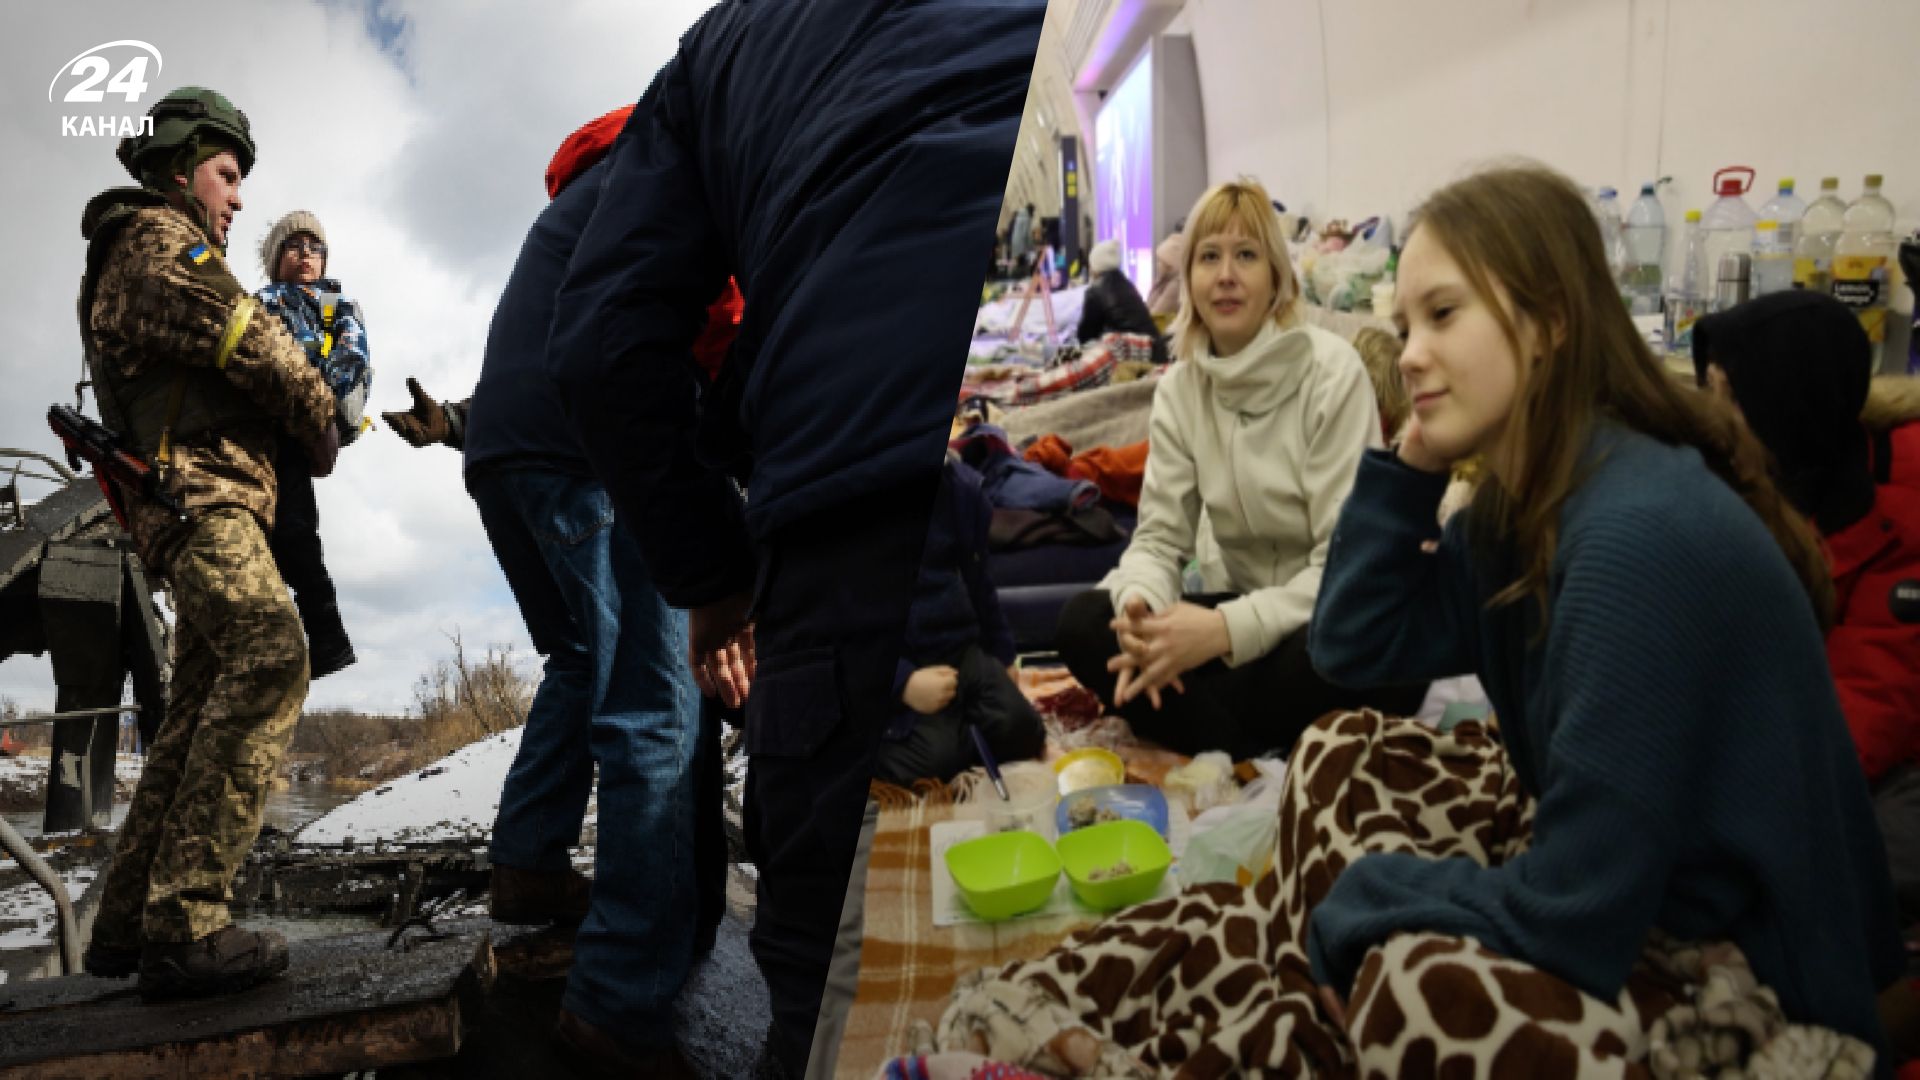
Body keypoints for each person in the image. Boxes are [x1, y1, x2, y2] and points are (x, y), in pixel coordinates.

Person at [543, 2, 1044, 1074]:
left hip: (832, 511)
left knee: (838, 997)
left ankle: (611, 972)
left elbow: (601, 343)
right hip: (882, 483)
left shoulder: (720, 56)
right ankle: (619, 970)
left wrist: (714, 578)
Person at [1306, 164, 1901, 1059]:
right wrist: (1409, 468)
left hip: (1760, 976)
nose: (1410, 352)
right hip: (1636, 889)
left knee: (1424, 992)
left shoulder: (1635, 534)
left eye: (1442, 314)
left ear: (1549, 324)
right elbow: (1353, 643)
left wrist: (1365, 898)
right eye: (1402, 326)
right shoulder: (1522, 507)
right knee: (1334, 754)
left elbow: (1574, 915)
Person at [379, 106, 741, 1079]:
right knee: (658, 705)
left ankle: (529, 861)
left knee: (581, 662)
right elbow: (696, 346)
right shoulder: (691, 174)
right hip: (591, 450)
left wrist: (452, 423)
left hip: (506, 457)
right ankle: (623, 1000)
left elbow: (552, 347)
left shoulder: (597, 191)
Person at [76, 87, 338, 999]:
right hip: (202, 500)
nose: (236, 198)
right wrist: (320, 415)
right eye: (227, 175)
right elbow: (257, 342)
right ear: (181, 167)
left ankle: (119, 925)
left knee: (190, 715)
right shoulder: (154, 239)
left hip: (201, 504)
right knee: (272, 659)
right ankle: (186, 923)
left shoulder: (149, 243)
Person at [1054, 179, 1426, 761]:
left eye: (1246, 255)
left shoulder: (1333, 374)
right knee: (1084, 625)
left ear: (1278, 278)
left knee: (1366, 660)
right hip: (1248, 624)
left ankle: (1216, 737)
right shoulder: (1180, 389)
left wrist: (1223, 631)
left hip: (1319, 621)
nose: (1226, 275)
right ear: (1191, 280)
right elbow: (1157, 541)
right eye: (1209, 257)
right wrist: (1140, 611)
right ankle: (1253, 743)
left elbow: (1347, 570)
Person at [1693, 291, 1920, 925]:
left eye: (1730, 395)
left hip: (1883, 765)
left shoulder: (1900, 529)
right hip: (1785, 740)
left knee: (1869, 859)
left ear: (1784, 407)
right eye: (1707, 389)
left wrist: (1734, 788)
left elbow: (1867, 713)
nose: (1712, 415)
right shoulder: (1742, 486)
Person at [876, 452, 1045, 787]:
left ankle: (953, 729)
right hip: (898, 661)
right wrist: (903, 684)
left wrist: (1003, 654)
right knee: (938, 759)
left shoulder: (958, 490)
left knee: (1023, 729)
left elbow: (980, 583)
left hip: (959, 648)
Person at [254, 210, 370, 679]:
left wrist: (323, 406)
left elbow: (353, 354)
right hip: (264, 427)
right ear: (276, 257)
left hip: (308, 421)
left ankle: (327, 636)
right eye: (294, 246)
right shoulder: (258, 302)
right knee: (268, 532)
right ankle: (275, 631)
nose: (305, 255)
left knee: (299, 529)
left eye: (314, 248)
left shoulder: (336, 305)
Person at [1074, 238, 1168, 366]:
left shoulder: (1095, 291)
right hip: (1154, 351)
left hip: (1131, 356)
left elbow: (1085, 337)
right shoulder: (1127, 284)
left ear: (1095, 266)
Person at [1145, 221, 1186, 318]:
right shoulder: (1163, 279)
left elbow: (1157, 315)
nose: (1157, 264)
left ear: (1169, 263)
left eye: (1160, 261)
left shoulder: (1176, 285)